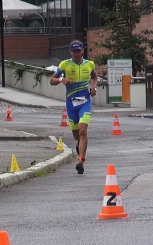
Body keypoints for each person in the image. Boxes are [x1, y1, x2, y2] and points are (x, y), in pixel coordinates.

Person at [50, 40, 98, 174]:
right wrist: (61, 80)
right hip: (71, 104)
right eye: (74, 51)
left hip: (85, 103)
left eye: (79, 51)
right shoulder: (65, 64)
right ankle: (79, 143)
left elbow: (94, 77)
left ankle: (81, 161)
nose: (77, 54)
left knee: (83, 131)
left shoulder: (89, 64)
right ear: (70, 52)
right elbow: (51, 80)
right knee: (77, 135)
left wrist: (93, 88)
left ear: (83, 50)